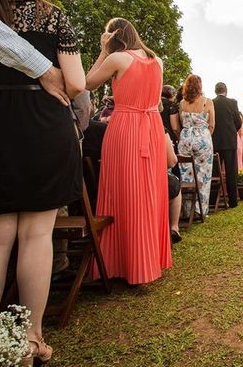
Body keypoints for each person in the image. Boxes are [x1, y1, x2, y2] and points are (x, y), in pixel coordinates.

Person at [0, 0, 85, 364]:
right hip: (43, 128)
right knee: (37, 236)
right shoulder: (52, 16)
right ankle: (31, 338)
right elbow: (76, 83)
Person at [86, 17, 171, 285]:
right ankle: (148, 260)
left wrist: (103, 50)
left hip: (126, 127)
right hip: (152, 128)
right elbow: (156, 101)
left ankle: (123, 263)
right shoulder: (157, 61)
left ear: (114, 36)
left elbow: (87, 83)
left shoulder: (117, 59)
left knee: (122, 191)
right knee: (148, 192)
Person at [179, 74, 215, 217]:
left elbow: (181, 124)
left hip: (186, 138)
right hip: (203, 139)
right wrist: (205, 137)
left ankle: (188, 212)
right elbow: (212, 125)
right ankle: (200, 210)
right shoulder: (208, 102)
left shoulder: (182, 103)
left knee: (186, 175)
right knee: (203, 176)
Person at [212, 82, 242, 208]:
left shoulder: (211, 102)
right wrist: (231, 131)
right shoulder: (232, 102)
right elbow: (238, 122)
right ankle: (233, 201)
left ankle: (212, 201)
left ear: (215, 91)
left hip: (215, 142)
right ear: (226, 90)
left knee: (215, 172)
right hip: (229, 141)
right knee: (231, 172)